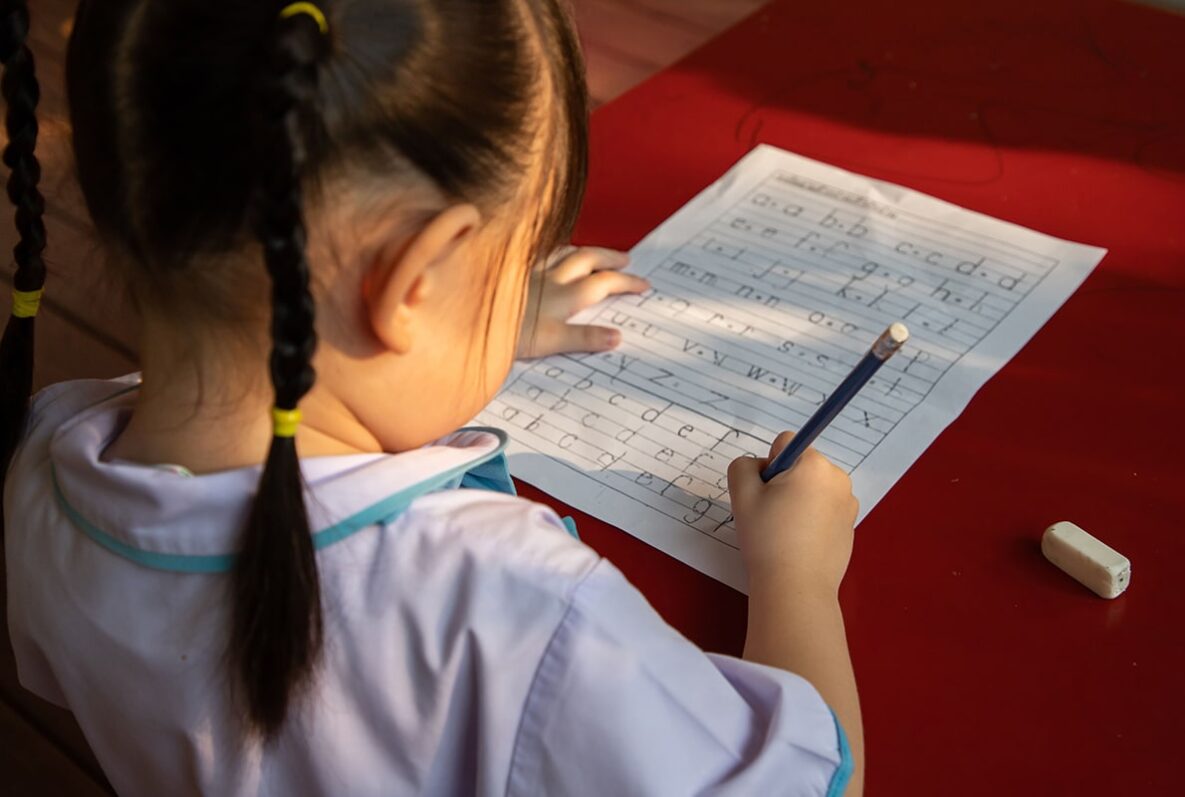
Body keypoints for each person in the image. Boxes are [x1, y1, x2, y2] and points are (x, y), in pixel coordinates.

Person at [0, 0, 864, 794]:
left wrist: (475, 314)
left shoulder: (45, 468)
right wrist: (798, 571)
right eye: (513, 256)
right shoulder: (513, 611)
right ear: (409, 287)